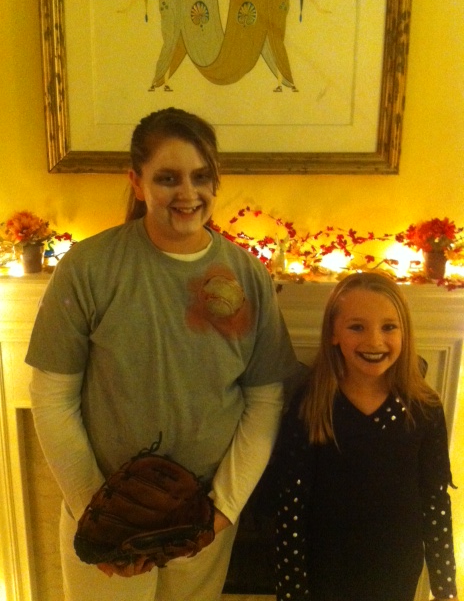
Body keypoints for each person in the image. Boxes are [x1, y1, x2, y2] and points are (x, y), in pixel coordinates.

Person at [25, 107, 299, 601]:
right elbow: (51, 396)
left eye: (201, 177)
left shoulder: (248, 277)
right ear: (137, 182)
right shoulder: (88, 268)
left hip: (202, 527)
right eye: (168, 178)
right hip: (101, 516)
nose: (188, 193)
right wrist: (97, 515)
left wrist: (221, 512)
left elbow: (264, 401)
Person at [271, 271, 459, 601]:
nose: (374, 341)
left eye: (389, 327)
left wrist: (445, 589)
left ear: (405, 332)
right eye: (357, 327)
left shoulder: (424, 408)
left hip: (396, 566)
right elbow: (290, 504)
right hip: (325, 565)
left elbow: (435, 500)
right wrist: (291, 591)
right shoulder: (311, 404)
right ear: (334, 333)